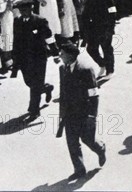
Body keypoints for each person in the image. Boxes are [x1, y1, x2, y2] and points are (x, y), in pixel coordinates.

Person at [58, 42, 106, 181]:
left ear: (71, 55)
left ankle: (100, 148)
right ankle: (79, 169)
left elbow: (94, 94)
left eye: (62, 53)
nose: (60, 55)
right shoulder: (63, 69)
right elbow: (63, 92)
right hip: (69, 113)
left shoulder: (86, 69)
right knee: (72, 142)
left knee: (88, 140)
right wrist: (62, 112)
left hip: (84, 113)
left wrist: (92, 115)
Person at [11, 0, 57, 121]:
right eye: (21, 10)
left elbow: (49, 37)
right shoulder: (17, 21)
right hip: (24, 59)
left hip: (39, 58)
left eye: (25, 10)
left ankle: (34, 110)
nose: (23, 12)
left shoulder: (40, 21)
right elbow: (16, 40)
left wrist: (55, 53)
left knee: (35, 85)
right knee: (29, 82)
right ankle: (46, 88)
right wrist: (14, 57)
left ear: (31, 9)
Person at [81, 0, 116, 79]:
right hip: (92, 28)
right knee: (91, 49)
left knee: (106, 49)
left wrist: (110, 30)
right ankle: (102, 64)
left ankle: (110, 70)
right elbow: (85, 12)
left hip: (104, 28)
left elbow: (112, 13)